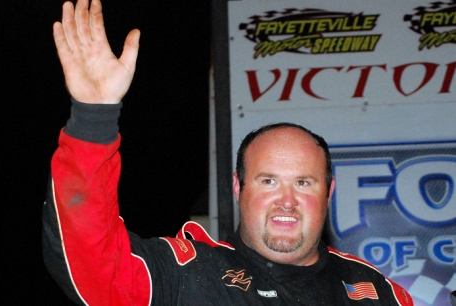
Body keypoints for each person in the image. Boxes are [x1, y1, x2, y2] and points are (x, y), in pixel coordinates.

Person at [43, 0, 414, 305]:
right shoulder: (187, 275)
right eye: (268, 180)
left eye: (304, 183)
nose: (287, 200)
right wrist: (93, 117)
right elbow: (93, 266)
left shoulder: (378, 293)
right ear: (238, 187)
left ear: (329, 193)